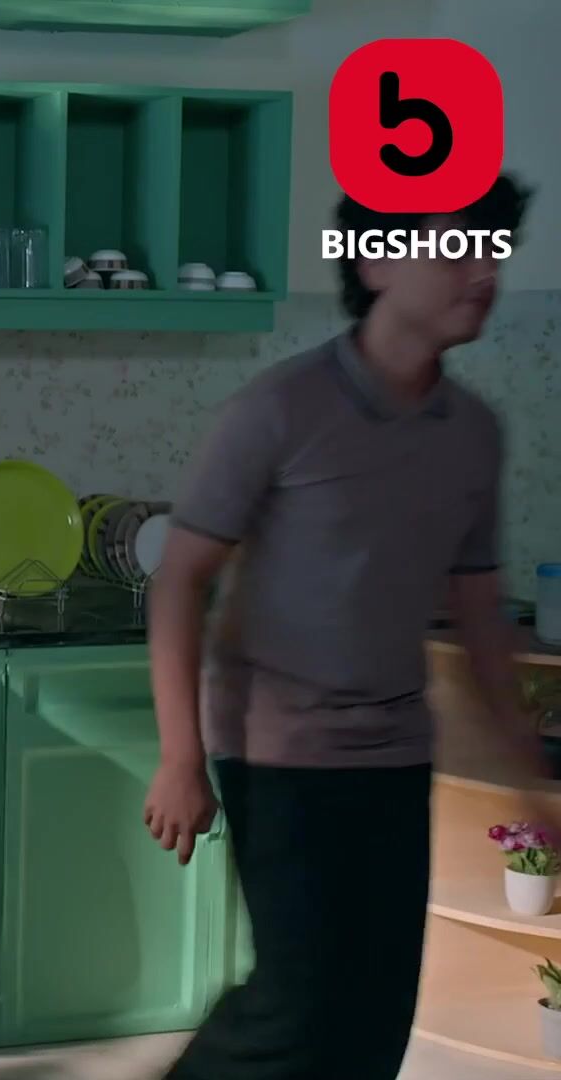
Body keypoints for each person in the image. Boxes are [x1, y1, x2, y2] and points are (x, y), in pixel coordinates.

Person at [143, 173, 554, 1079]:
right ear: (375, 263)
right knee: (293, 1008)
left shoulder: (472, 432)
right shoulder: (280, 410)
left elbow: (480, 618)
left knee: (372, 1024)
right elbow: (178, 582)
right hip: (280, 755)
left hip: (396, 757)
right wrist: (179, 759)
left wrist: (528, 784)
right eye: (459, 246)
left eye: (493, 249)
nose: (484, 270)